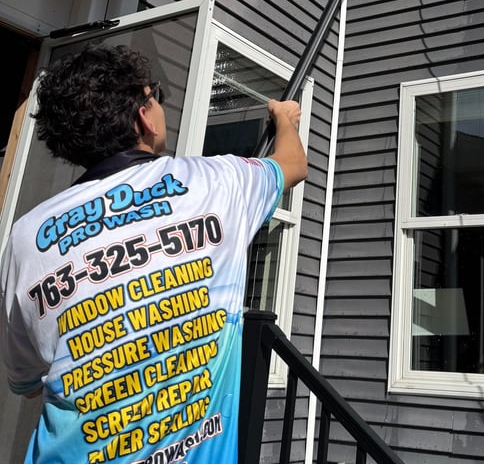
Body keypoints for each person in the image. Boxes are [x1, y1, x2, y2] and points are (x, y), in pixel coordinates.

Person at [0, 44, 307, 464]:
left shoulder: (26, 237)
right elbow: (292, 162)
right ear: (143, 114)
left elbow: (29, 380)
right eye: (155, 95)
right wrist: (283, 118)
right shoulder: (217, 182)